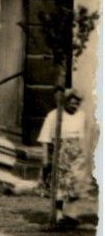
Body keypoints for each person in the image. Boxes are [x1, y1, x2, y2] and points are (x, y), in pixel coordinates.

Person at [39, 88, 99, 228]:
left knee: (75, 184)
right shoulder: (54, 115)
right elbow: (45, 138)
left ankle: (69, 213)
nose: (74, 106)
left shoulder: (81, 115)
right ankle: (58, 214)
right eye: (71, 103)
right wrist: (45, 159)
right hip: (59, 153)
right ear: (65, 102)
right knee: (59, 184)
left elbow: (83, 136)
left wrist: (85, 155)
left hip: (76, 154)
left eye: (77, 104)